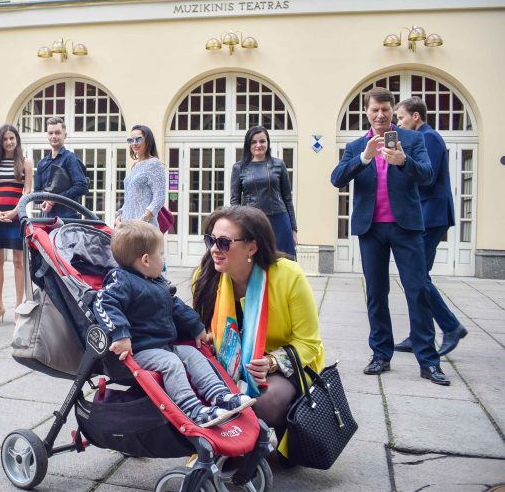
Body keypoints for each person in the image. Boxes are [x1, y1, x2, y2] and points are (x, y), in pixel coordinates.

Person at [330, 87, 448, 385]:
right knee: (376, 294)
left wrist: (403, 162)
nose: (380, 115)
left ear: (392, 111)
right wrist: (364, 158)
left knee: (417, 291)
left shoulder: (412, 139)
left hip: (406, 226)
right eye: (374, 110)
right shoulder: (357, 144)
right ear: (366, 112)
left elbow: (428, 174)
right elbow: (337, 178)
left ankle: (428, 361)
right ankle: (381, 354)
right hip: (371, 229)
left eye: (385, 109)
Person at [191, 205, 325, 457]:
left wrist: (273, 361)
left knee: (266, 401)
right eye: (211, 240)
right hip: (226, 366)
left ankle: (253, 442)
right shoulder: (206, 275)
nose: (214, 249)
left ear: (252, 247)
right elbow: (202, 329)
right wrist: (207, 337)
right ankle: (228, 445)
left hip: (283, 369)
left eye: (223, 242)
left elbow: (309, 343)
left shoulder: (288, 275)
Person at [94, 220, 253, 428]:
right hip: (140, 350)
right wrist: (121, 334)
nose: (164, 259)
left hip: (164, 345)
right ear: (145, 260)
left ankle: (219, 394)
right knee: (171, 363)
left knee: (194, 355)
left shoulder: (156, 282)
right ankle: (192, 409)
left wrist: (196, 328)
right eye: (161, 254)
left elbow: (175, 306)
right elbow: (104, 304)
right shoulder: (121, 280)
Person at [394, 96, 467, 356]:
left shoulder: (429, 137)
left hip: (431, 214)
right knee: (416, 277)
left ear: (416, 116)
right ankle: (418, 335)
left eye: (401, 117)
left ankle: (450, 326)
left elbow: (427, 176)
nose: (398, 122)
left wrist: (402, 167)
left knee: (417, 277)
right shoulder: (420, 137)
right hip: (427, 214)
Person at [0, 124, 33, 323]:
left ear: (17, 140)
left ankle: (19, 307)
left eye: (12, 138)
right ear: (0, 142)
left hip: (16, 214)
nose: (9, 142)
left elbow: (27, 190)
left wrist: (15, 211)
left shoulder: (25, 162)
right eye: (5, 139)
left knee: (19, 261)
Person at [229, 125, 297, 257]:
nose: (258, 145)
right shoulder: (239, 167)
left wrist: (293, 229)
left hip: (279, 220)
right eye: (254, 142)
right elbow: (234, 201)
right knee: (255, 261)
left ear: (268, 142)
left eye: (262, 141)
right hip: (251, 221)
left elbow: (287, 198)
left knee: (284, 262)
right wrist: (236, 228)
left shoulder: (279, 164)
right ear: (248, 145)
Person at [33, 117, 88, 219]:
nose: (54, 136)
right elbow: (36, 195)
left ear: (65, 135)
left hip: (67, 220)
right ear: (47, 135)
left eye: (57, 133)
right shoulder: (42, 163)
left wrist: (53, 199)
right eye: (50, 133)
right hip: (45, 219)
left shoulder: (71, 158)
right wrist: (46, 196)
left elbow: (82, 187)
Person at [115, 124, 165, 227]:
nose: (134, 143)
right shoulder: (135, 165)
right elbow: (130, 197)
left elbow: (159, 198)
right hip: (126, 225)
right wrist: (120, 216)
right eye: (131, 140)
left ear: (148, 141)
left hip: (144, 228)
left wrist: (142, 221)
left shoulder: (154, 164)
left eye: (138, 139)